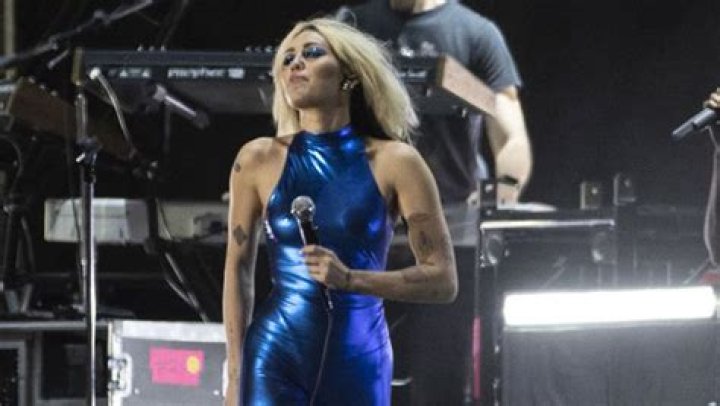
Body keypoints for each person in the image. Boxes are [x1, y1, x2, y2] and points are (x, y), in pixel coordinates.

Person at [222, 17, 458, 405]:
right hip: (275, 353)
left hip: (359, 356)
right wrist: (234, 374)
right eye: (287, 59)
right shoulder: (257, 159)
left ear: (349, 74)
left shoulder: (396, 161)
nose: (296, 64)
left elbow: (443, 280)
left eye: (312, 53)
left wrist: (351, 279)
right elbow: (238, 268)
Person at [336, 0, 532, 206]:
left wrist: (502, 192)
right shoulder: (350, 26)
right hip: (369, 205)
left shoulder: (477, 34)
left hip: (453, 206)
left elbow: (510, 137)